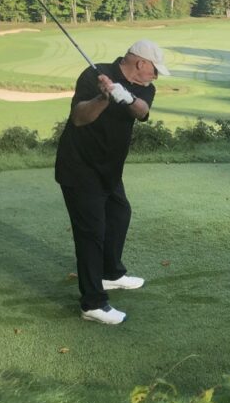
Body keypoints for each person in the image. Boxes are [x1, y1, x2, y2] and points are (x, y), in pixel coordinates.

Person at [55, 40, 170, 324]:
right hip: (80, 167)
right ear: (141, 63)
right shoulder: (95, 75)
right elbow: (79, 118)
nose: (155, 76)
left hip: (109, 169)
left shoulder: (145, 87)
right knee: (91, 234)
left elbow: (142, 111)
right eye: (154, 70)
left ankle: (110, 274)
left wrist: (125, 96)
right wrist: (103, 98)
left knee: (119, 213)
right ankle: (92, 303)